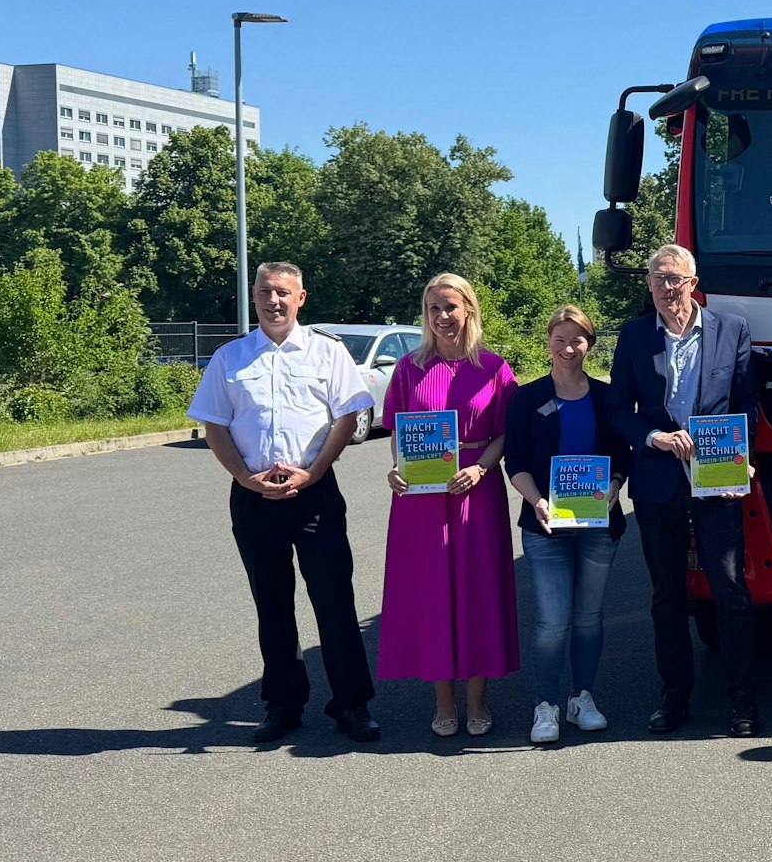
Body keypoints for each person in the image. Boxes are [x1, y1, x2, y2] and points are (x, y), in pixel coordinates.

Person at [188, 261, 380, 745]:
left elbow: (347, 418)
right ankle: (283, 705)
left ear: (300, 298)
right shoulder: (230, 357)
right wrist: (246, 479)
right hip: (254, 496)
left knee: (334, 601)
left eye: (282, 292)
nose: (272, 301)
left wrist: (313, 472)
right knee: (271, 604)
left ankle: (351, 705)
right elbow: (214, 426)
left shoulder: (326, 352)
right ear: (253, 296)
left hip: (314, 492)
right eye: (264, 292)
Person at [609, 243, 762, 737]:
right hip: (657, 480)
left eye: (673, 278)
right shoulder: (634, 335)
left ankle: (743, 699)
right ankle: (674, 694)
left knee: (730, 590)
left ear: (693, 283)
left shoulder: (731, 329)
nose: (664, 287)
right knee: (666, 595)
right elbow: (617, 410)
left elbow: (745, 403)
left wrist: (742, 458)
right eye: (656, 278)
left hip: (717, 477)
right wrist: (654, 437)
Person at [379, 272, 519, 737]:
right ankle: (443, 703)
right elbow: (398, 430)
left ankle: (477, 701)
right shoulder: (408, 368)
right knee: (432, 595)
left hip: (476, 494)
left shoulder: (495, 368)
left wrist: (481, 468)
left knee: (477, 593)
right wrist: (397, 467)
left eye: (450, 307)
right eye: (433, 308)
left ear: (469, 310)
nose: (442, 316)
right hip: (420, 503)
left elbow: (506, 432)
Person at [504, 305, 630, 745]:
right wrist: (536, 500)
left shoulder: (607, 397)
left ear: (589, 344)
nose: (568, 348)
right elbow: (515, 461)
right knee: (552, 622)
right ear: (548, 342)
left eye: (576, 340)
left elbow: (622, 453)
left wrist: (615, 483)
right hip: (546, 526)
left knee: (589, 618)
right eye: (559, 339)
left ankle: (582, 698)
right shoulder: (527, 397)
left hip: (598, 523)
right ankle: (546, 705)